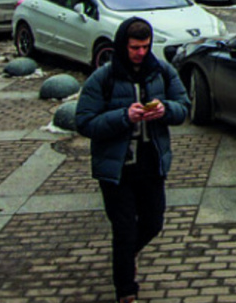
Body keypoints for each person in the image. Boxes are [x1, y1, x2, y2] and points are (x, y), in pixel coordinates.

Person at [76, 17, 190, 303]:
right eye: (134, 47)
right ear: (122, 45)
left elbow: (183, 107)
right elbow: (85, 122)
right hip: (117, 168)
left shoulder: (162, 71)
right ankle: (126, 291)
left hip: (151, 163)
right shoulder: (103, 78)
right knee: (124, 230)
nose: (140, 53)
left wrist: (165, 110)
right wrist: (123, 117)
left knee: (153, 223)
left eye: (145, 47)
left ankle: (129, 254)